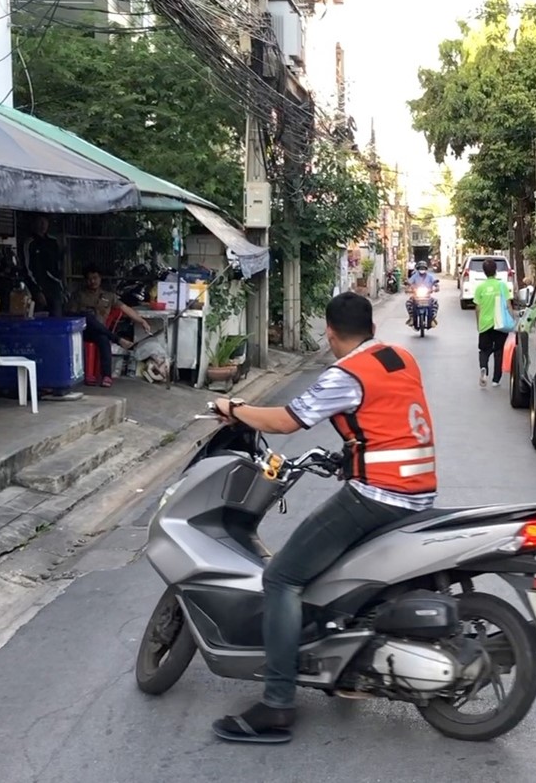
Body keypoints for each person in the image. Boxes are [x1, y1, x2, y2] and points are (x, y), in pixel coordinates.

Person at [208, 292, 438, 744]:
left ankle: (276, 704)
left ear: (330, 333)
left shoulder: (346, 372)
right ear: (371, 328)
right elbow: (384, 421)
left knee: (282, 578)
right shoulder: (399, 356)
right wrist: (347, 456)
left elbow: (287, 421)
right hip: (419, 488)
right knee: (338, 573)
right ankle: (350, 665)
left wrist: (233, 408)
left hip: (381, 494)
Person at [68, 265, 152, 387]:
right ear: (86, 280)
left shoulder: (109, 296)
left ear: (100, 278)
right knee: (88, 317)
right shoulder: (78, 295)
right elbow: (70, 314)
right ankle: (117, 339)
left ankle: (106, 376)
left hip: (100, 332)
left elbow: (126, 309)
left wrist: (142, 321)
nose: (93, 281)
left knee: (103, 338)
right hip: (82, 331)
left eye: (95, 278)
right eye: (90, 278)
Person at [471, 257, 515, 388]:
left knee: (484, 350)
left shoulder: (480, 288)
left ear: (484, 272)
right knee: (499, 351)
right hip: (500, 323)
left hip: (485, 323)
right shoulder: (502, 286)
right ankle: (496, 379)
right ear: (496, 270)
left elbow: (477, 308)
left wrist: (478, 323)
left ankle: (484, 368)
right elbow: (508, 305)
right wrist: (512, 320)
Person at [24, 216, 66, 317]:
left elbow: (58, 265)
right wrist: (36, 291)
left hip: (55, 289)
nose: (43, 225)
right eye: (40, 221)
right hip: (38, 288)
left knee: (57, 320)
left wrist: (62, 286)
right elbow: (27, 269)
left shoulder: (53, 242)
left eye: (45, 221)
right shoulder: (30, 243)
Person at [405, 260, 440, 327]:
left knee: (435, 303)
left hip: (427, 296)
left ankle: (432, 319)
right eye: (420, 268)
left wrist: (436, 287)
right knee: (408, 303)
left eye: (423, 268)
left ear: (426, 269)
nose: (422, 270)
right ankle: (412, 318)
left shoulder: (430, 276)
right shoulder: (415, 276)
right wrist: (407, 288)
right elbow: (409, 283)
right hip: (416, 295)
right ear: (418, 269)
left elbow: (435, 283)